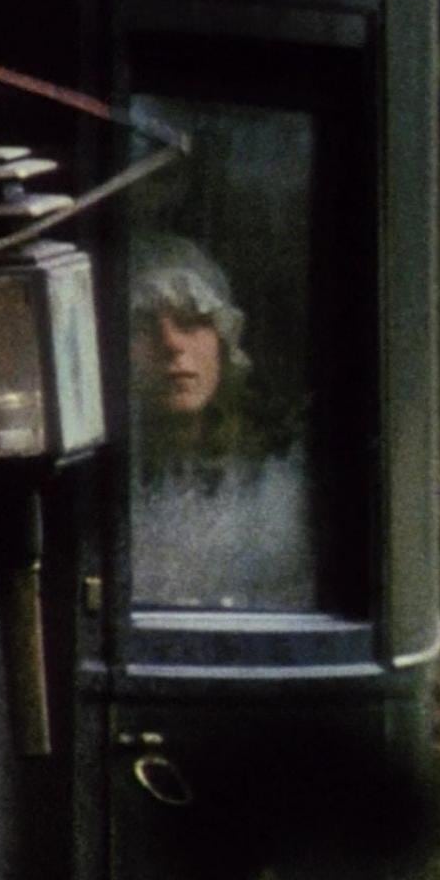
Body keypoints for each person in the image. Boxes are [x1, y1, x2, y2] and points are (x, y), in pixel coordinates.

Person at [127, 233, 313, 610]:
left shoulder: (276, 481)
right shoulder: (97, 488)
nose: (171, 344)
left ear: (224, 343)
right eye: (144, 327)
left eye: (190, 322)